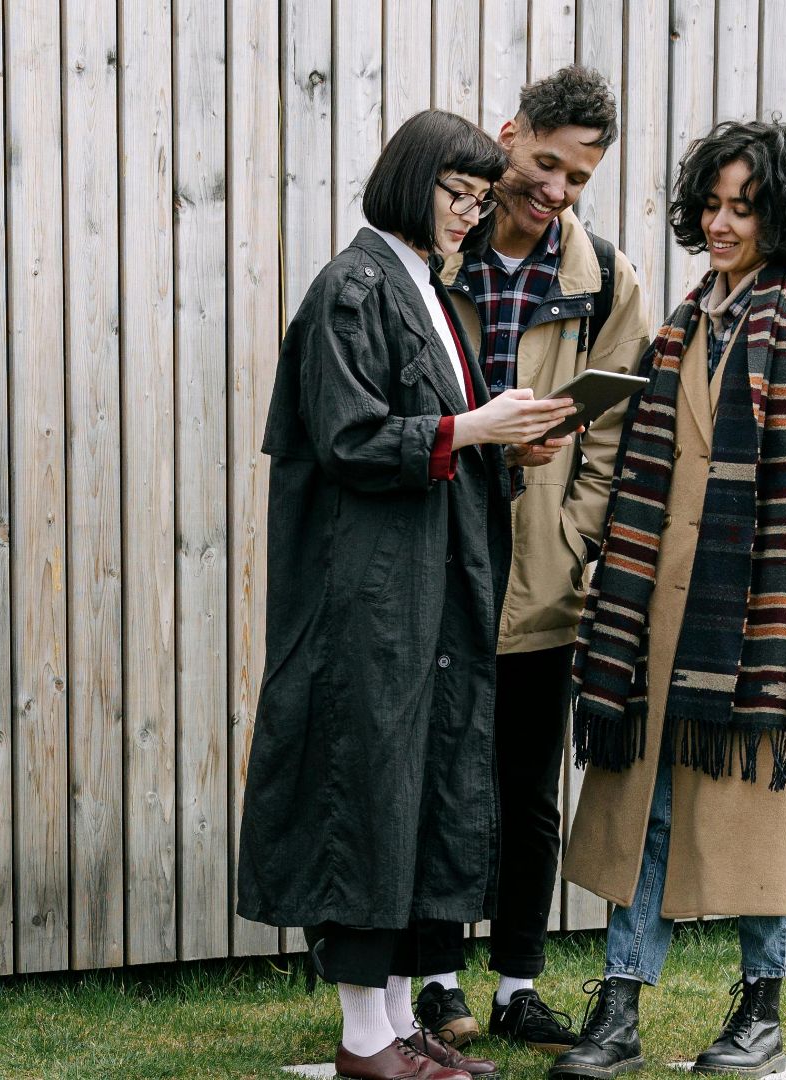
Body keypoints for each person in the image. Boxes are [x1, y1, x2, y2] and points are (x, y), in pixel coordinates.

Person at [550, 120, 786, 1079]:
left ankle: (761, 1014)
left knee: (763, 820)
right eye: (710, 203)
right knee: (648, 813)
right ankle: (618, 1007)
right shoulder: (683, 325)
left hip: (766, 628)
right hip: (661, 623)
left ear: (783, 215)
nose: (719, 222)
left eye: (742, 207)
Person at [235, 108, 578, 1080]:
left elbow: (436, 435)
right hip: (364, 604)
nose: (471, 213)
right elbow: (350, 437)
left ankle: (395, 1024)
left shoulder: (423, 285)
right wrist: (473, 430)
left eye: (481, 198)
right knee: (363, 801)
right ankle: (363, 1043)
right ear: (410, 181)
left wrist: (505, 440)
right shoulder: (353, 286)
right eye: (457, 193)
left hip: (421, 603)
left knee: (407, 806)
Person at [413, 65, 653, 1057]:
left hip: (546, 579)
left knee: (526, 788)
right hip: (438, 565)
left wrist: (572, 536)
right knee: (429, 778)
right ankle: (431, 979)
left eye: (578, 179)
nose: (554, 191)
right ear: (508, 136)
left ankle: (516, 983)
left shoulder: (607, 279)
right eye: (542, 164)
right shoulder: (436, 260)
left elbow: (619, 434)